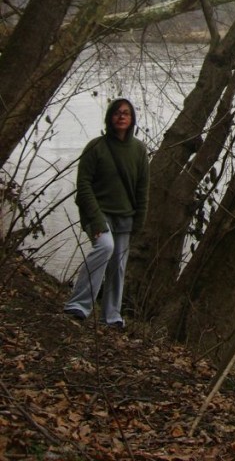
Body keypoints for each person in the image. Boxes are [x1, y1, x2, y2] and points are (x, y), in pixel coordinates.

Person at [63, 98, 149, 328]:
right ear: (110, 117)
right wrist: (96, 218)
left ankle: (111, 316)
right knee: (105, 247)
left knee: (118, 267)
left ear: (131, 120)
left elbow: (142, 190)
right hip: (98, 214)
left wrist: (139, 222)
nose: (121, 116)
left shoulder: (139, 150)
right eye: (117, 113)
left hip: (126, 217)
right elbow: (84, 185)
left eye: (126, 113)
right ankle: (78, 305)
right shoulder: (96, 147)